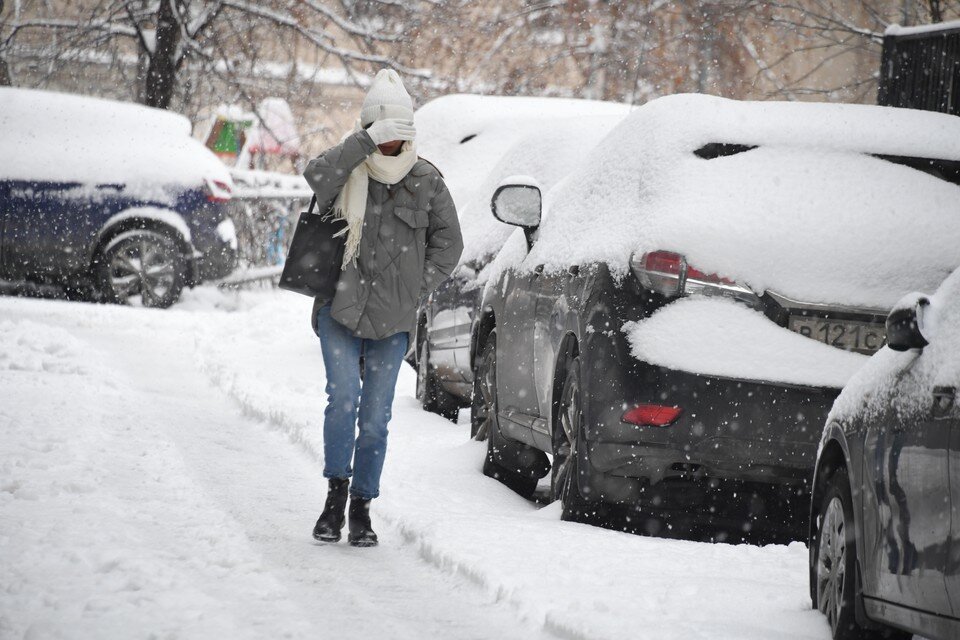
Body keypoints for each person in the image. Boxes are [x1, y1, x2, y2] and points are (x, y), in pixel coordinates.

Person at [302, 69, 463, 547]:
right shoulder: (346, 169)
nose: (389, 142)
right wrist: (363, 142)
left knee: (375, 418)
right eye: (380, 132)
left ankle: (361, 507)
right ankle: (334, 496)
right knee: (342, 400)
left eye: (396, 133)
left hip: (393, 320)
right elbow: (315, 176)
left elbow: (449, 246)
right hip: (339, 307)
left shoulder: (426, 181)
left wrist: (415, 290)